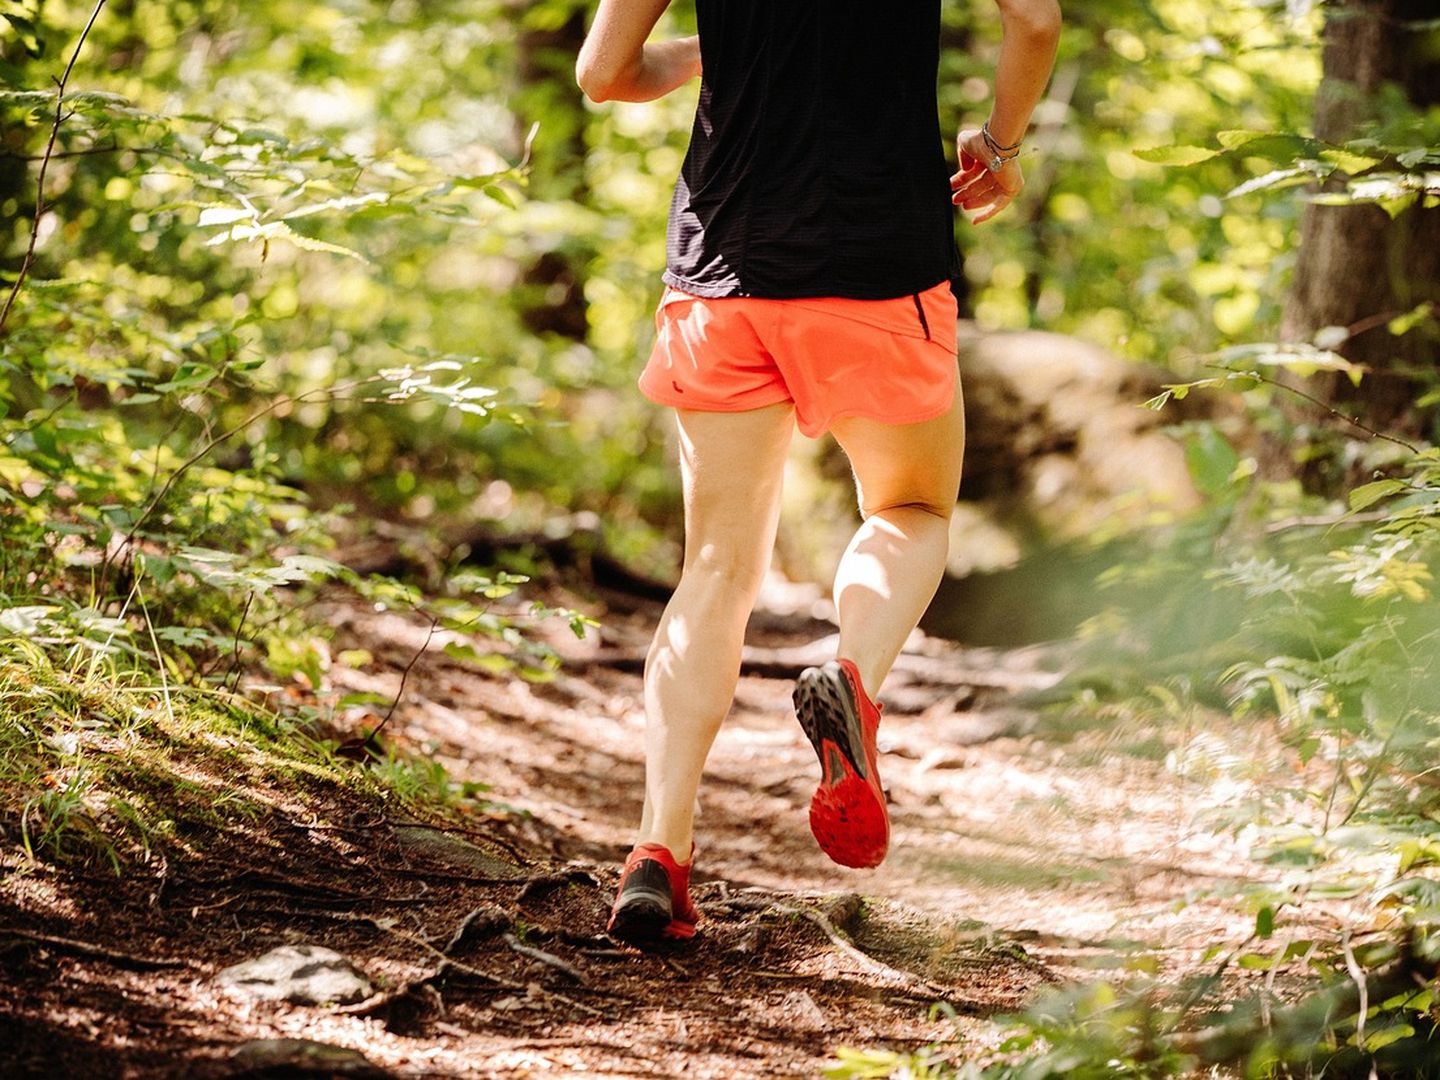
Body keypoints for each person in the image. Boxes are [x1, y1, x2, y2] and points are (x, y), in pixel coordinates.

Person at [576, 0, 1061, 944]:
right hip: (883, 265)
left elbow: (605, 74)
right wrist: (998, 151)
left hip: (724, 267)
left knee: (715, 568)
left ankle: (657, 852)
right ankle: (852, 673)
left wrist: (724, 43)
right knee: (912, 505)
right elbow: (1034, 21)